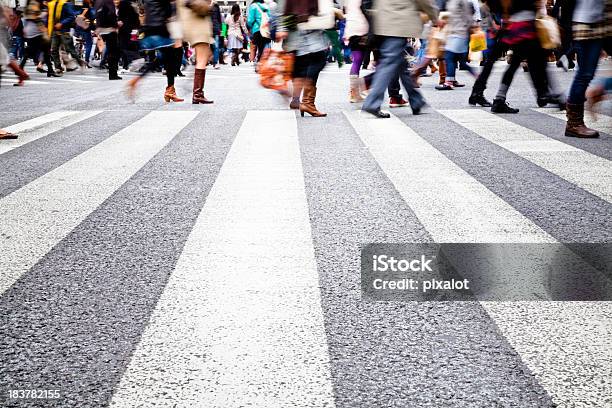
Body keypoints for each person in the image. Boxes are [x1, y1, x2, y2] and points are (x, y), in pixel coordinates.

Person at [361, 0, 438, 118]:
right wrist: (435, 17)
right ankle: (372, 103)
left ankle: (416, 100)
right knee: (388, 64)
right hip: (398, 23)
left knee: (401, 65)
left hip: (384, 22)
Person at [490, 0, 564, 113]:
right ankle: (553, 96)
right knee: (540, 62)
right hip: (527, 27)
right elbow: (537, 5)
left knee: (518, 63)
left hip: (516, 26)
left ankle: (500, 99)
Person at [277, 0, 334, 117]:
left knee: (303, 65)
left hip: (301, 27)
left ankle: (296, 98)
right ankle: (306, 102)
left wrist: (282, 28)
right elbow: (285, 5)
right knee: (318, 60)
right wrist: (282, 28)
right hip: (309, 25)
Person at [564, 0, 610, 138]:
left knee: (585, 73)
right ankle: (574, 123)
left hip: (600, 22)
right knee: (585, 74)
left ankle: (599, 91)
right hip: (587, 23)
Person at [126, 0, 184, 102]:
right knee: (170, 59)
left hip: (149, 30)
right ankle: (169, 89)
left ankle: (169, 89)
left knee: (165, 58)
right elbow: (168, 12)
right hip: (161, 29)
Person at [435, 0, 477, 90]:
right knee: (458, 60)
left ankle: (449, 82)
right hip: (453, 33)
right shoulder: (451, 1)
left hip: (460, 33)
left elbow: (468, 16)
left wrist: (469, 28)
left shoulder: (461, 1)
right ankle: (452, 80)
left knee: (450, 57)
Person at [177, 0, 213, 103]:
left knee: (201, 59)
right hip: (199, 25)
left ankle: (197, 93)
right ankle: (198, 94)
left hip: (189, 26)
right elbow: (207, 4)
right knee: (202, 60)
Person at [20, 0, 57, 77]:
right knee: (34, 50)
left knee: (43, 50)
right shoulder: (34, 2)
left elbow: (27, 16)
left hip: (31, 31)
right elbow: (35, 17)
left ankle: (50, 70)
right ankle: (21, 67)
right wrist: (43, 29)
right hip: (35, 31)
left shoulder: (30, 3)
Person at [48, 0, 86, 75]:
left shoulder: (66, 4)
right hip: (54, 30)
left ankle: (80, 62)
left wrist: (61, 23)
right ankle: (58, 68)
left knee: (70, 49)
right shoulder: (52, 4)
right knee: (54, 50)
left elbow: (71, 16)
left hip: (64, 31)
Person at [343, 0, 369, 103]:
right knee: (380, 60)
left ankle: (353, 93)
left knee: (357, 60)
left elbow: (345, 11)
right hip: (366, 29)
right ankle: (365, 86)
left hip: (352, 30)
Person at [94, 0, 122, 79]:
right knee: (114, 51)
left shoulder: (98, 2)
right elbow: (111, 14)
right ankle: (113, 73)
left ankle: (110, 71)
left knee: (110, 50)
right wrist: (116, 24)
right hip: (110, 29)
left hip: (102, 30)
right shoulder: (108, 1)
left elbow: (97, 15)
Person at [117, 0, 139, 72]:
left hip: (123, 31)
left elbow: (119, 20)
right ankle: (131, 63)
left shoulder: (121, 9)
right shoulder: (133, 9)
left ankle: (126, 64)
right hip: (132, 31)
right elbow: (137, 21)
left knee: (123, 47)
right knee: (131, 46)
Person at [247, 0, 269, 65]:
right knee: (264, 47)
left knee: (259, 47)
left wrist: (251, 27)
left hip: (257, 29)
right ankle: (262, 62)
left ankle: (259, 63)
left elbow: (250, 20)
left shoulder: (253, 6)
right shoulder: (267, 5)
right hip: (266, 29)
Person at [210, 0, 221, 68]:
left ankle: (215, 61)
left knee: (214, 46)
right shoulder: (215, 7)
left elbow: (219, 19)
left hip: (213, 29)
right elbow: (219, 19)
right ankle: (214, 62)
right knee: (215, 47)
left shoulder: (215, 6)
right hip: (212, 29)